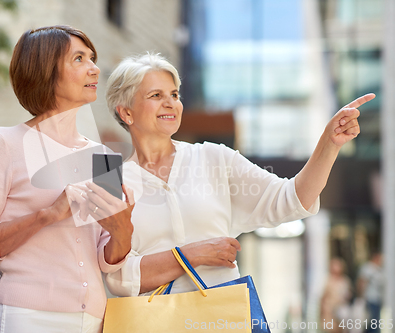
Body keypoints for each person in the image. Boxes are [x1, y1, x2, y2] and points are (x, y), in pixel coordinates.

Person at [86, 52, 375, 297]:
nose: (171, 103)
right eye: (156, 95)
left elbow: (291, 199)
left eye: (174, 94)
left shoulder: (214, 156)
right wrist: (192, 254)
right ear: (126, 113)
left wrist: (329, 144)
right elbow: (118, 278)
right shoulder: (109, 178)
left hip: (220, 319)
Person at [0, 25, 134, 333]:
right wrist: (47, 215)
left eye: (92, 58)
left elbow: (108, 260)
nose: (95, 69)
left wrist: (122, 231)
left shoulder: (103, 157)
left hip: (91, 320)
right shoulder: (5, 143)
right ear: (45, 71)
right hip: (25, 316)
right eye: (79, 59)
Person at [320, 258, 353, 332]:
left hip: (341, 311)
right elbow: (323, 297)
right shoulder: (328, 280)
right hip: (329, 312)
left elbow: (349, 295)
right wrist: (322, 312)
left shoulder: (345, 280)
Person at [358, 252, 384, 333]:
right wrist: (361, 298)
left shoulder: (379, 269)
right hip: (369, 300)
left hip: (378, 300)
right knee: (370, 323)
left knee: (376, 323)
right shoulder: (368, 268)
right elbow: (361, 283)